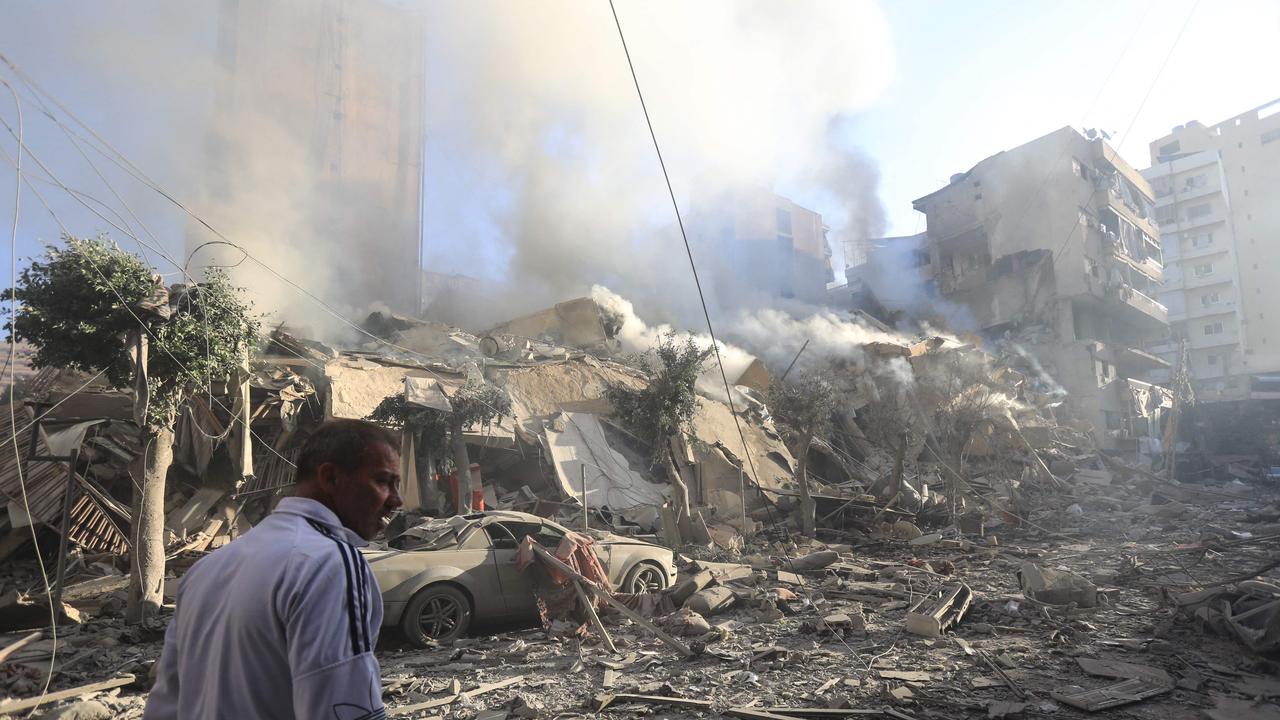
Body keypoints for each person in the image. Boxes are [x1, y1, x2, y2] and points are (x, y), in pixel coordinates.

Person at [144, 420, 402, 719]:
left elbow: (164, 705)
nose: (396, 500)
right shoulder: (329, 564)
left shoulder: (206, 570)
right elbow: (344, 708)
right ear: (330, 477)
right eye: (383, 481)